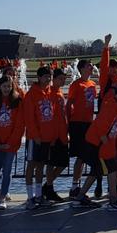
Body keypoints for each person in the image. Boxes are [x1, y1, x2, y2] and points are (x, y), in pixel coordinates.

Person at [74, 85, 117, 210]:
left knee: (96, 171)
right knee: (111, 168)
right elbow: (101, 127)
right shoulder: (111, 107)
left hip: (99, 143)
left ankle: (80, 198)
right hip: (96, 144)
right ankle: (113, 200)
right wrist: (107, 147)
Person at [23, 67, 64, 209]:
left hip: (47, 137)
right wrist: (35, 135)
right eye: (46, 76)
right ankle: (30, 197)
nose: (48, 79)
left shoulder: (51, 93)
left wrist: (53, 136)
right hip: (35, 138)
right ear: (39, 77)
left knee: (41, 166)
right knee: (31, 165)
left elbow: (54, 116)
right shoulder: (31, 94)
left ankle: (39, 195)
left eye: (50, 76)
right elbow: (29, 118)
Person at [0, 75, 24, 210]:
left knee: (7, 171)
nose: (7, 88)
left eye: (9, 86)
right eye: (4, 86)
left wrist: (11, 142)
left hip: (10, 144)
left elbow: (19, 125)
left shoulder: (17, 101)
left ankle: (2, 197)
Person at [66, 59, 98, 199]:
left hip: (89, 123)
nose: (91, 68)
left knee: (85, 155)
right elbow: (69, 105)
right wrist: (69, 123)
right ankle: (75, 186)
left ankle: (79, 186)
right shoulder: (76, 85)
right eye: (88, 66)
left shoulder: (92, 84)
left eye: (91, 66)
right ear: (81, 69)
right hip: (77, 123)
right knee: (80, 156)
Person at [42, 69, 71, 202]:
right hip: (53, 135)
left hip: (62, 133)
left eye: (64, 78)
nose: (63, 81)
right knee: (51, 163)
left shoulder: (59, 92)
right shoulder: (50, 93)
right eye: (60, 78)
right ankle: (49, 188)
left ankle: (47, 186)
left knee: (63, 163)